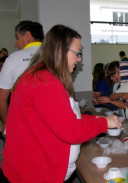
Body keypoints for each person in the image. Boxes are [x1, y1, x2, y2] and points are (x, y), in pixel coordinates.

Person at [0, 24, 121, 183]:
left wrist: (96, 120)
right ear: (60, 50)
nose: (79, 59)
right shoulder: (46, 82)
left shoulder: (41, 76)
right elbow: (70, 130)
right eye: (77, 53)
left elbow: (62, 117)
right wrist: (103, 123)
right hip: (32, 174)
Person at [0, 21, 44, 137]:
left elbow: (1, 98)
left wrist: (6, 122)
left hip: (21, 126)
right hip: (49, 126)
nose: (16, 44)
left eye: (17, 38)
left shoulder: (12, 59)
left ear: (28, 36)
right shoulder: (56, 58)